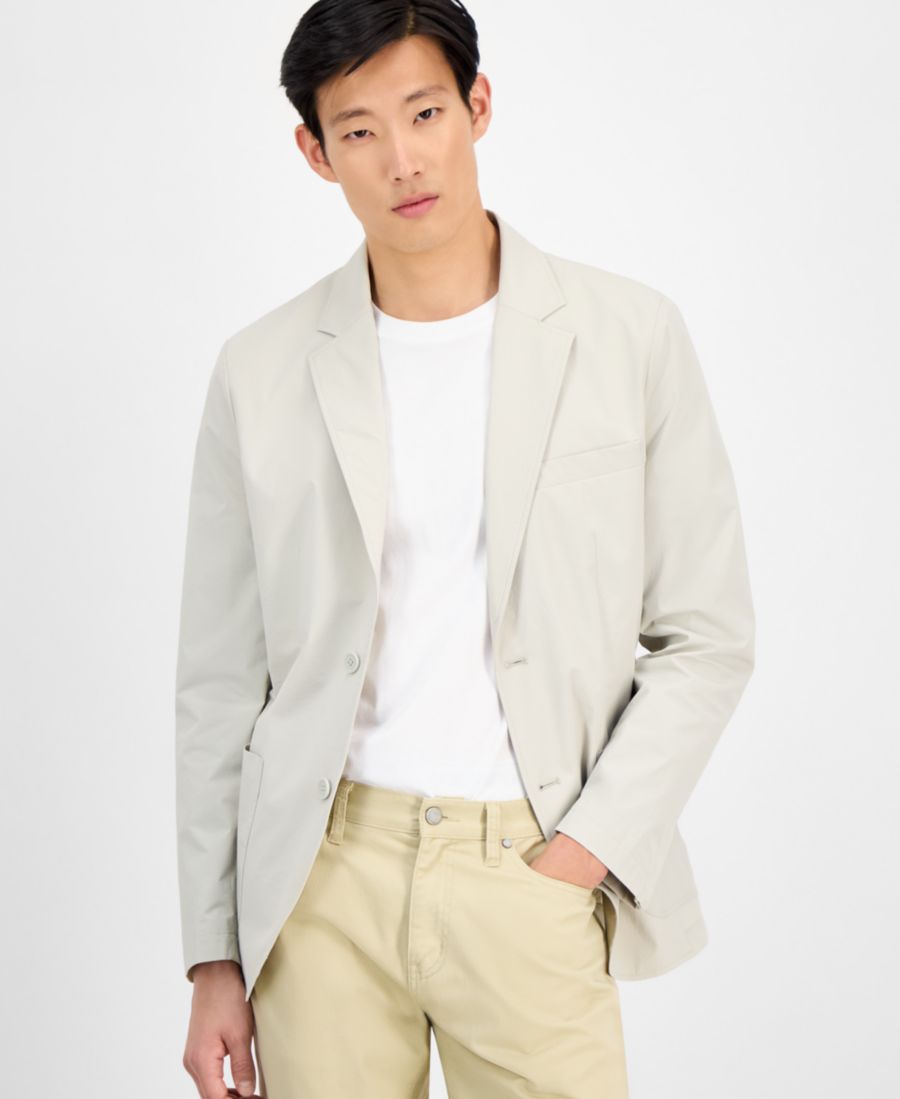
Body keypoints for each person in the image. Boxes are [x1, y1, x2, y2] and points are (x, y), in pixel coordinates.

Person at [176, 2, 756, 1097]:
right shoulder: (259, 371)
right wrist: (214, 955)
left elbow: (707, 634)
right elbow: (219, 683)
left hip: (531, 867)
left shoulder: (628, 335)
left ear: (477, 106)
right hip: (322, 884)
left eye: (426, 112)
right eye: (358, 131)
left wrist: (587, 846)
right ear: (315, 152)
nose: (401, 160)